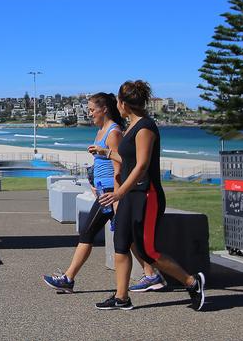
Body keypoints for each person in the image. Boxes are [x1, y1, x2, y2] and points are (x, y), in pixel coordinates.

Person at [90, 80, 205, 311]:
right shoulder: (130, 127)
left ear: (123, 103)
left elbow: (142, 166)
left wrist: (119, 192)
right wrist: (108, 152)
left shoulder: (145, 128)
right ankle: (122, 297)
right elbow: (130, 160)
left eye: (118, 102)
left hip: (146, 195)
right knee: (121, 244)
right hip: (130, 196)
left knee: (148, 250)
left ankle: (192, 282)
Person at [42, 93, 164, 293]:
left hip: (110, 192)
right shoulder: (101, 131)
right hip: (103, 191)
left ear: (104, 109)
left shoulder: (114, 132)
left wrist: (117, 195)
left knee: (88, 232)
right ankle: (150, 274)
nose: (89, 114)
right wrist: (93, 182)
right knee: (128, 238)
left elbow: (121, 165)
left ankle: (68, 278)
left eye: (92, 110)